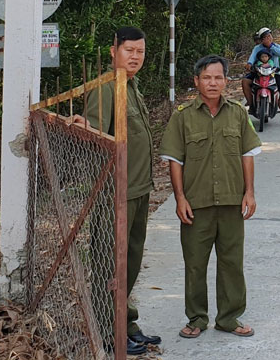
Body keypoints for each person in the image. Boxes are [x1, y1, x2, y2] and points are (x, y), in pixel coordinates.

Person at [160, 54, 261, 339]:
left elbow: (248, 154)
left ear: (226, 80)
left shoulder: (239, 113)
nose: (213, 83)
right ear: (196, 81)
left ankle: (230, 317)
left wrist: (249, 193)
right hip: (196, 203)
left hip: (232, 202)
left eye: (218, 77)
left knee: (232, 262)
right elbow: (174, 160)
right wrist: (180, 198)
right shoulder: (183, 117)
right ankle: (196, 318)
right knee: (195, 263)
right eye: (207, 77)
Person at [80, 26, 160, 356]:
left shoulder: (131, 85)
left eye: (140, 52)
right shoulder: (106, 87)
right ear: (113, 51)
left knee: (130, 264)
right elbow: (96, 135)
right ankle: (108, 331)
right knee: (109, 265)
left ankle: (126, 322)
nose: (136, 57)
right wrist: (82, 125)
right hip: (115, 193)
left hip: (138, 191)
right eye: (129, 50)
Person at [242, 26, 280, 126]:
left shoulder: (277, 47)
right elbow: (251, 59)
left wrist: (270, 46)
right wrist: (249, 64)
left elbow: (279, 53)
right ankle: (251, 104)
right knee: (245, 82)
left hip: (274, 73)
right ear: (261, 39)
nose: (268, 38)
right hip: (259, 72)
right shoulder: (257, 48)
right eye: (265, 37)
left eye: (269, 36)